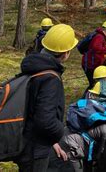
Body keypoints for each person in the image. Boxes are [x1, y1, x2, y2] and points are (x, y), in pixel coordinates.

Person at [16, 23, 78, 172]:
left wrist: (53, 141)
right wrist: (61, 133)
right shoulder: (50, 79)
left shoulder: (34, 67)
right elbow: (45, 121)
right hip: (36, 148)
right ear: (66, 53)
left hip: (26, 140)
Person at [82, 21, 106, 88]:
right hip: (90, 65)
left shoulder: (100, 36)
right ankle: (87, 96)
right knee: (93, 84)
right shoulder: (99, 37)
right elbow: (96, 48)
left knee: (95, 83)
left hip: (92, 63)